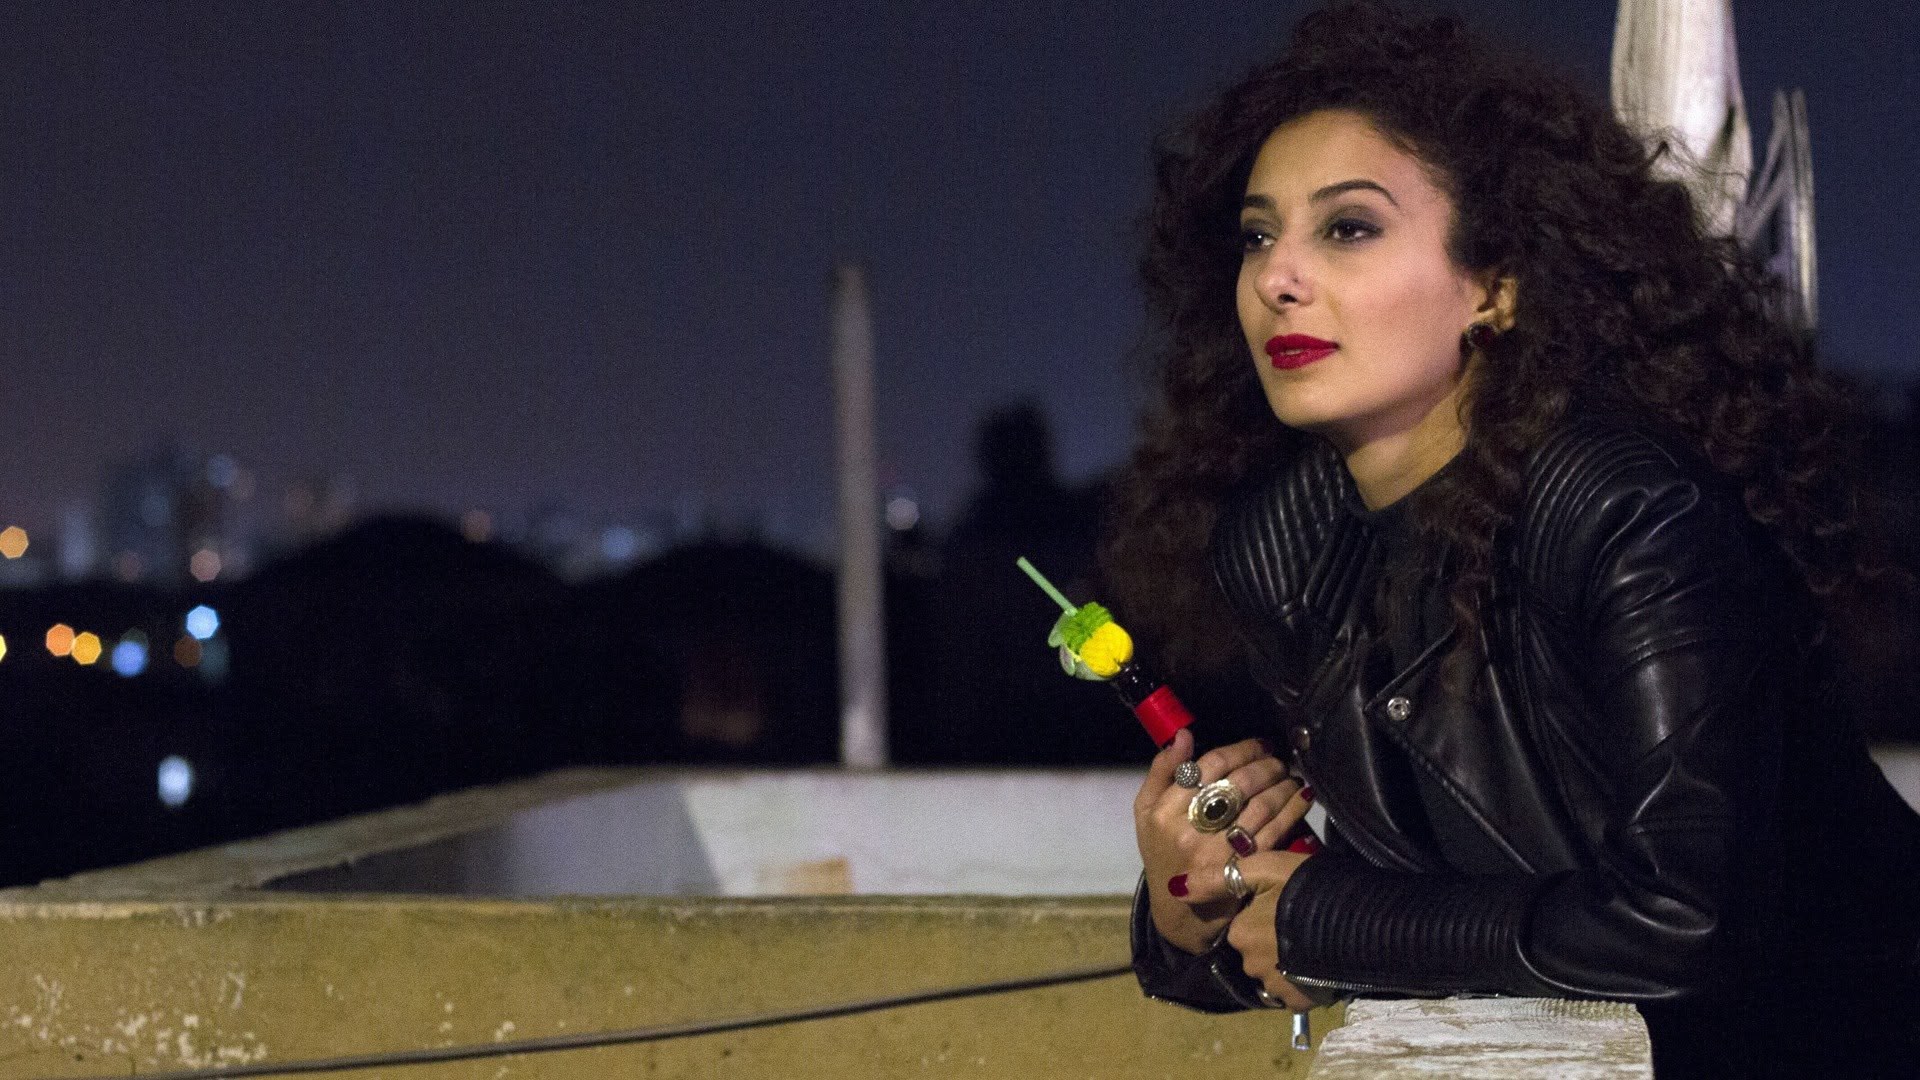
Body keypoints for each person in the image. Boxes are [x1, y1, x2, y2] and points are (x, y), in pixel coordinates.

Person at [1102, 4, 1920, 1076]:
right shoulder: (1285, 549)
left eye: (1348, 229)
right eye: (1260, 235)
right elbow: (1339, 913)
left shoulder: (1624, 508)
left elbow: (1689, 923)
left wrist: (1325, 918)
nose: (1276, 278)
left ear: (1495, 287)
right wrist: (1191, 908)